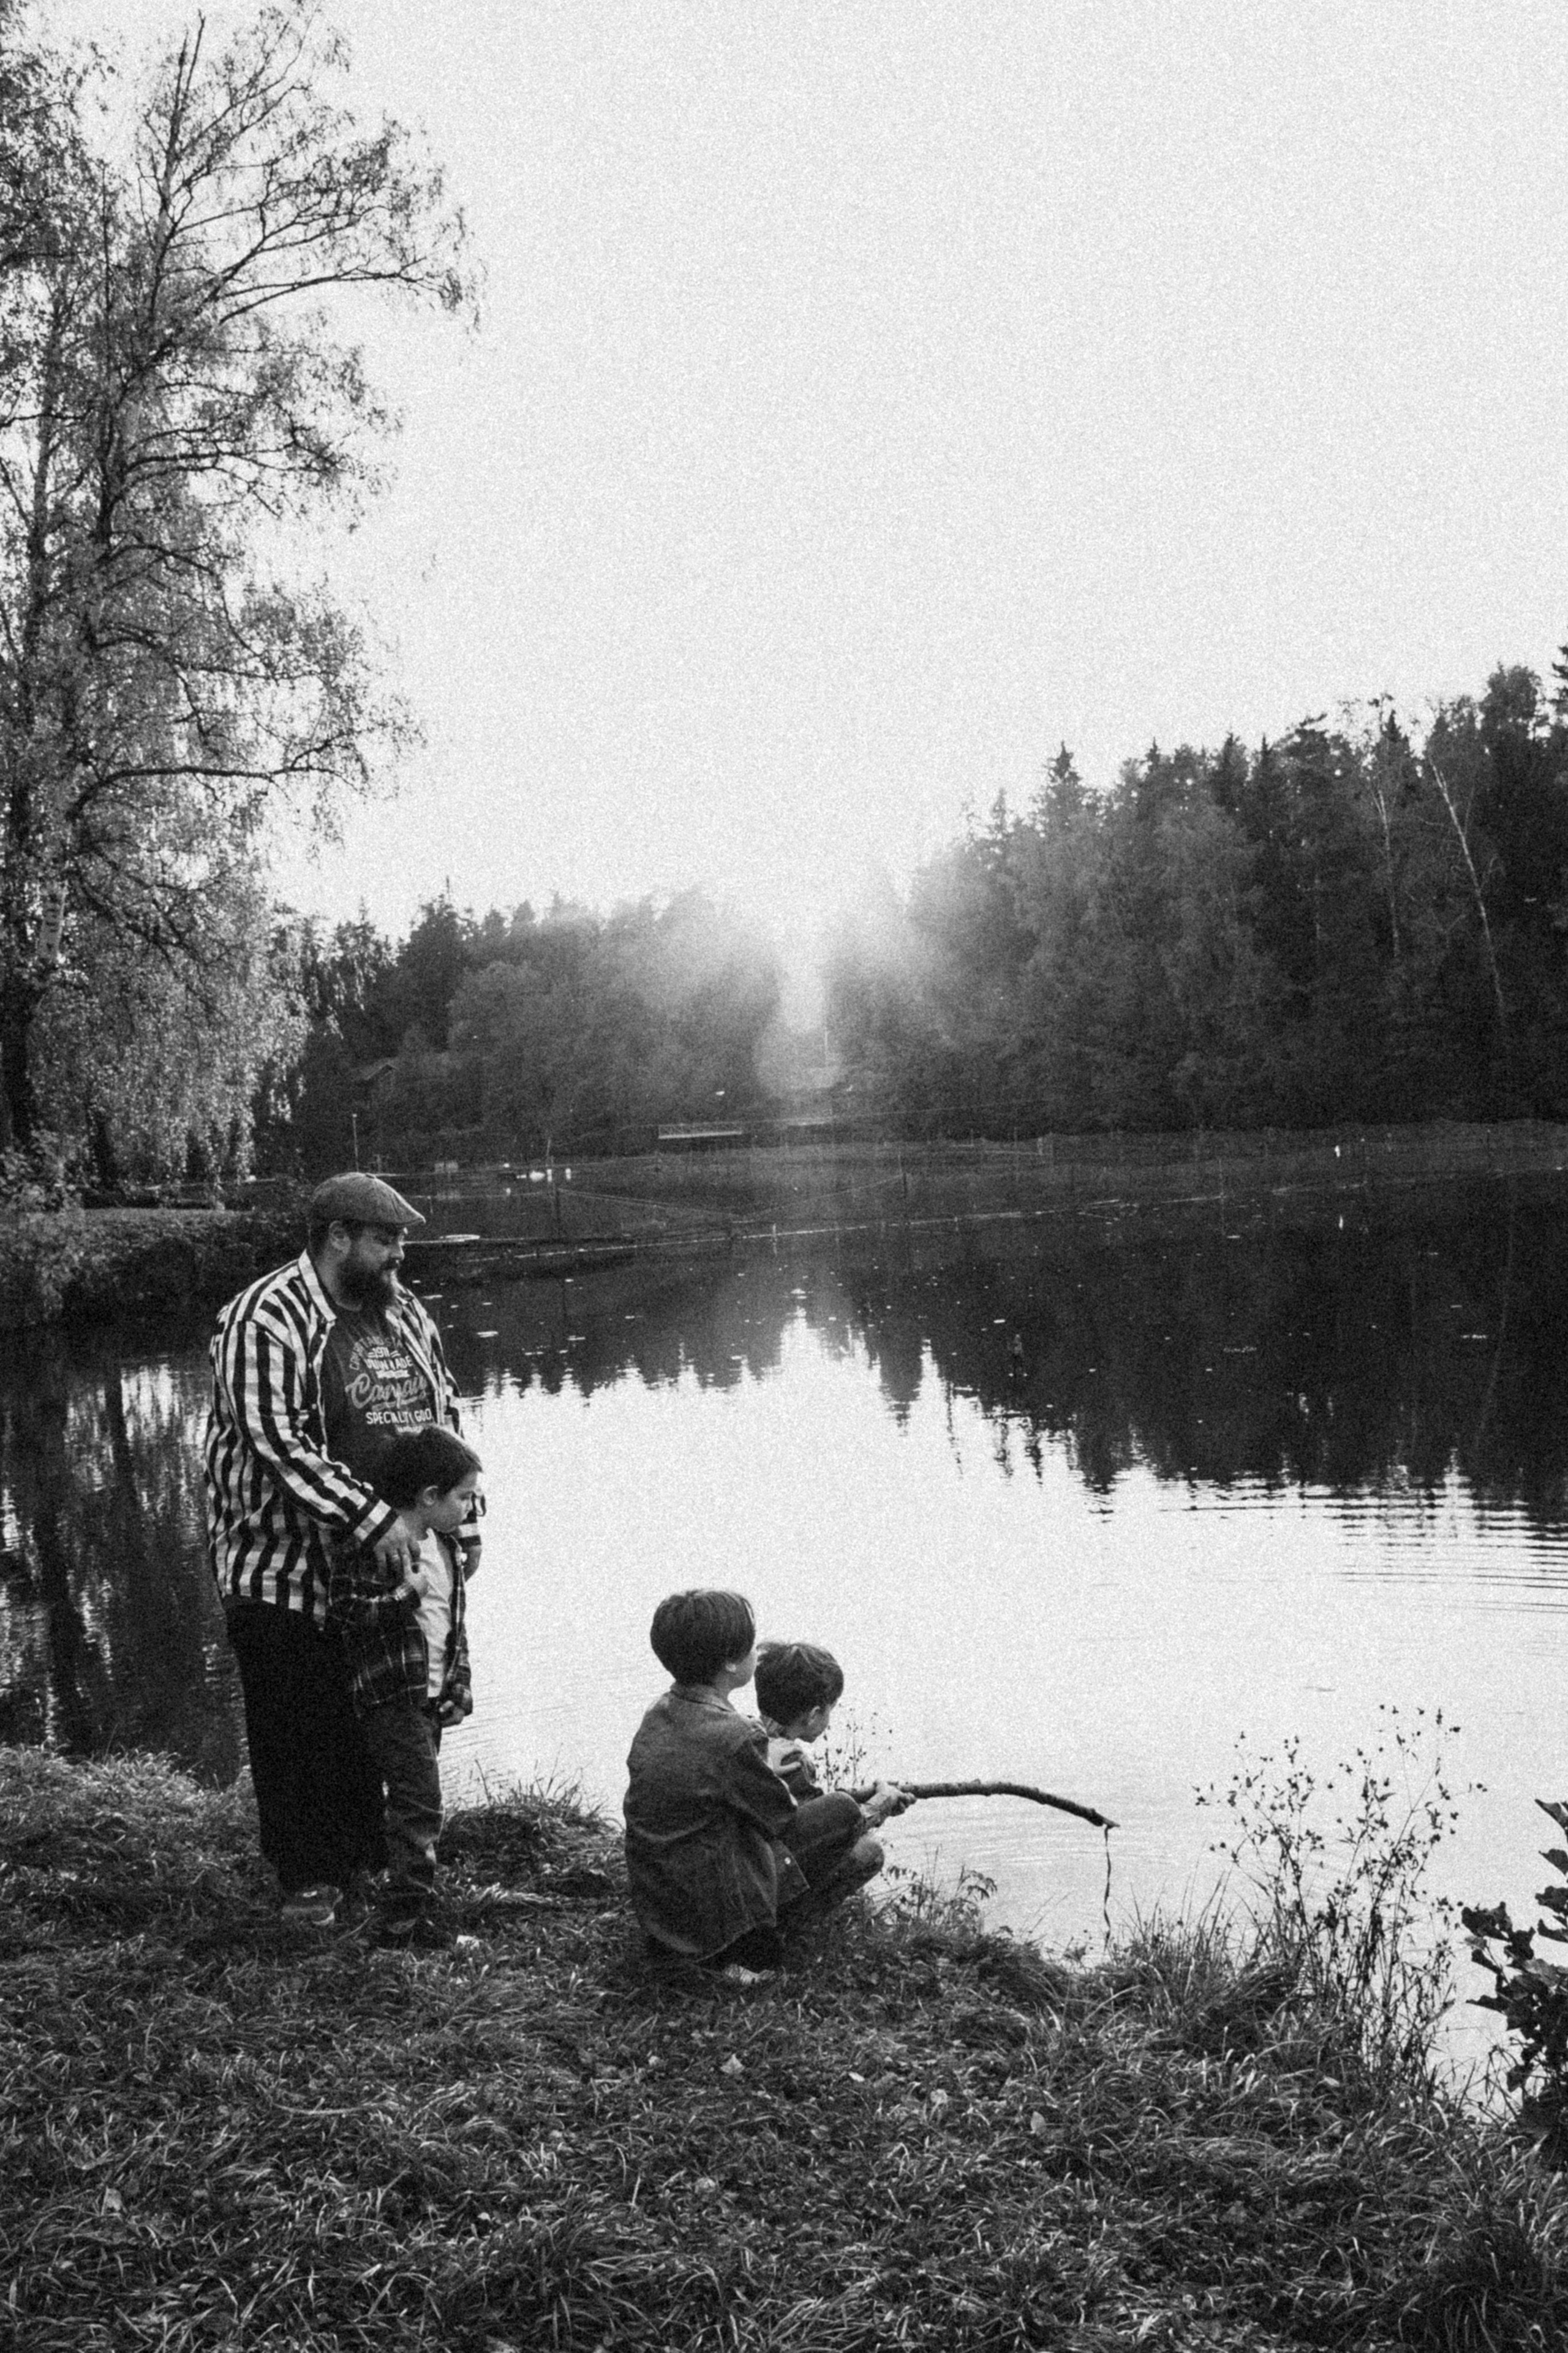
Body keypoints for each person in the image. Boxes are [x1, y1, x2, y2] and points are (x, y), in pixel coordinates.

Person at [205, 1171, 477, 1926]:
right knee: (296, 1721)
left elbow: (442, 1415)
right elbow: (279, 1444)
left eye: (401, 1241)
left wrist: (464, 1519)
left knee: (373, 1715)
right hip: (281, 1563)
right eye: (386, 1240)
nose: (399, 1255)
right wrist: (373, 1518)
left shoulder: (403, 1312)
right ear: (337, 1237)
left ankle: (362, 1858)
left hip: (385, 1565)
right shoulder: (265, 1316)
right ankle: (305, 1880)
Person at [328, 1424, 483, 1946]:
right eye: (464, 1497)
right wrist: (404, 1598)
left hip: (428, 1698)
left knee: (413, 1801)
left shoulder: (446, 1547)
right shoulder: (377, 1548)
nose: (471, 1508)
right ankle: (404, 1923)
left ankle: (398, 1898)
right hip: (391, 1697)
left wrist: (458, 1685)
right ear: (429, 1496)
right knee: (420, 1803)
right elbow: (345, 1613)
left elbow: (453, 1625)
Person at [624, 1588, 799, 1976]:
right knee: (846, 1817)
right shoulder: (737, 1735)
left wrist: (759, 1761)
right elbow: (783, 1817)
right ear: (731, 1664)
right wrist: (877, 1805)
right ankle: (756, 1950)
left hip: (664, 1915)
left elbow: (704, 1769)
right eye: (751, 1645)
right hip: (713, 1931)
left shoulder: (658, 1712)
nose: (757, 1653)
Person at [753, 1639, 911, 1911]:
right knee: (869, 1851)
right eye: (831, 1708)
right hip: (763, 1881)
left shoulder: (748, 1737)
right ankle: (787, 1927)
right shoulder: (792, 1761)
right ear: (814, 1715)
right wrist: (881, 1805)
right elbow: (824, 1832)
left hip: (744, 1864)